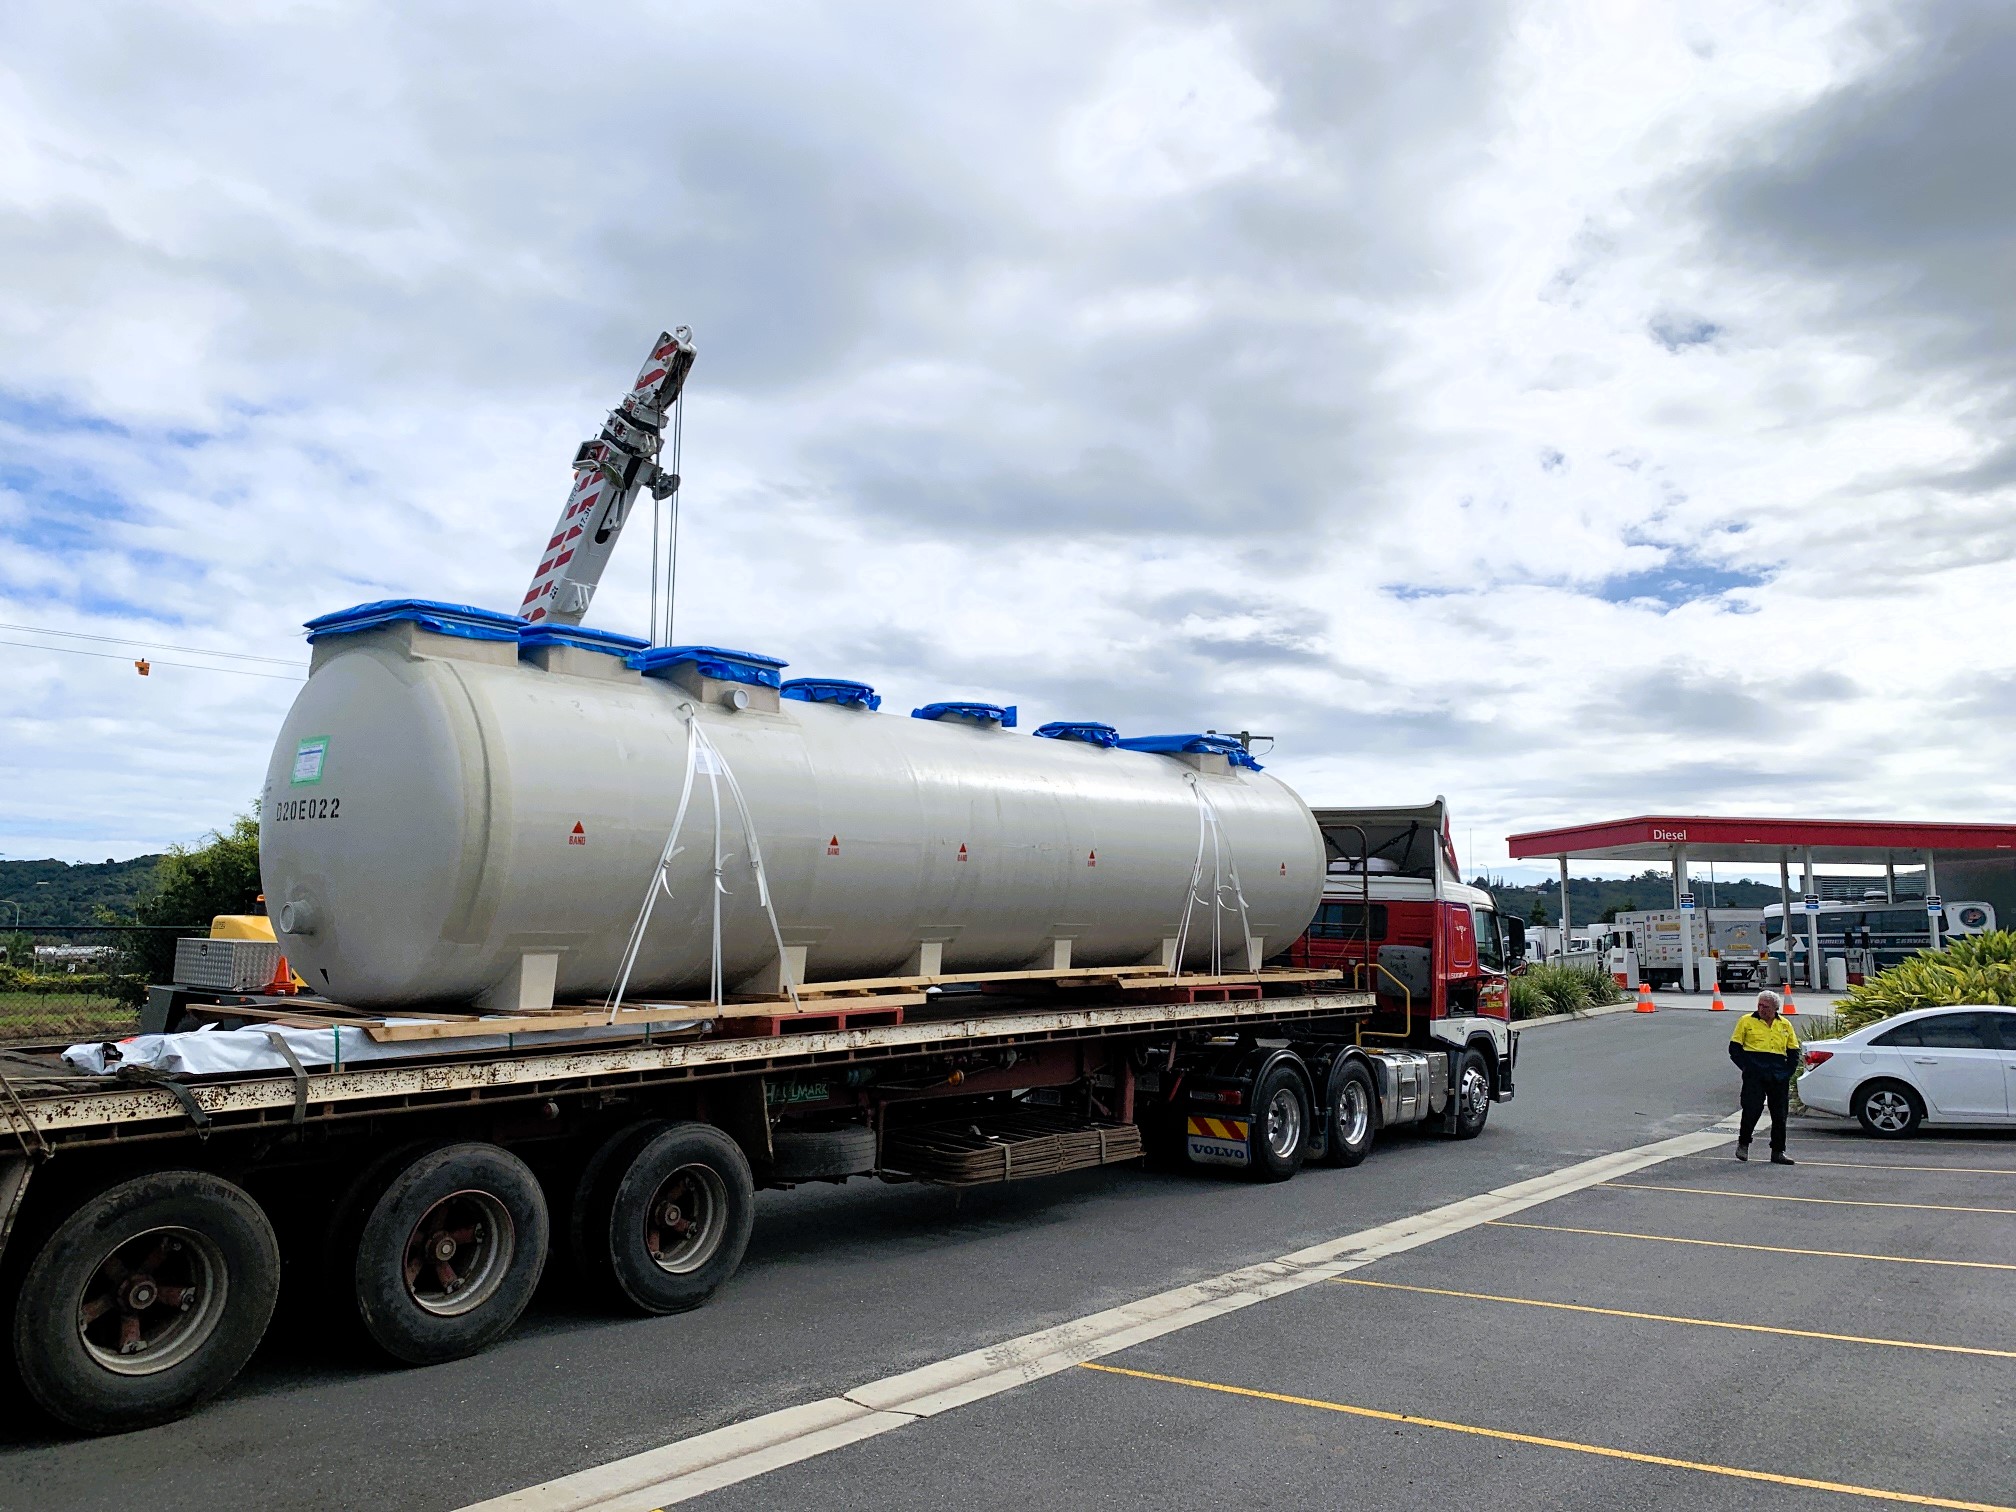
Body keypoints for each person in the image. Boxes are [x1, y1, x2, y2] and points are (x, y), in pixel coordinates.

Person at [1729, 989, 1799, 1164]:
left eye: (1766, 1006)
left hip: (1778, 1073)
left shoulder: (1784, 1024)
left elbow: (1793, 1052)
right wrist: (1746, 1068)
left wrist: (1787, 1072)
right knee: (1751, 1109)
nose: (1762, 1009)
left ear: (1775, 1008)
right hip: (1755, 1072)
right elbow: (1734, 1049)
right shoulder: (1746, 1021)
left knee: (1780, 1114)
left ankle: (1778, 1151)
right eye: (1759, 1005)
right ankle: (1743, 1144)